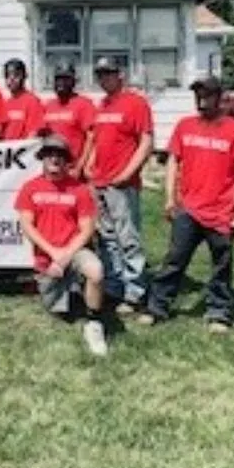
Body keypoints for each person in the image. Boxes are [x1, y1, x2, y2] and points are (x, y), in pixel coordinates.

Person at [139, 76, 234, 333]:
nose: (201, 101)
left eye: (207, 96)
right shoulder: (185, 126)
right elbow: (173, 161)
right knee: (174, 260)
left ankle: (219, 312)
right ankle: (157, 307)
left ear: (219, 97)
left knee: (221, 265)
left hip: (222, 212)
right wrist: (170, 198)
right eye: (198, 96)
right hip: (189, 209)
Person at [15, 134, 108, 356]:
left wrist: (65, 255)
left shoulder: (79, 189)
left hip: (74, 250)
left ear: (66, 160)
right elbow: (27, 225)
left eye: (60, 155)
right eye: (50, 154)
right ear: (43, 158)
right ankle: (68, 290)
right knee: (58, 310)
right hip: (47, 258)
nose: (54, 159)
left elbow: (87, 229)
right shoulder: (30, 188)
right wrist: (54, 253)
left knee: (96, 271)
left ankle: (94, 324)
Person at [88, 57, 153, 314]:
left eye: (108, 73)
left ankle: (135, 292)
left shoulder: (136, 103)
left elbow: (146, 142)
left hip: (122, 184)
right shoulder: (102, 105)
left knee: (128, 239)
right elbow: (98, 140)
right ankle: (114, 288)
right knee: (108, 239)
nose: (104, 78)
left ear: (120, 75)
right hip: (101, 182)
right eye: (100, 74)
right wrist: (91, 165)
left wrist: (128, 173)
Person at [40, 61, 96, 176]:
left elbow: (91, 138)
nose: (61, 83)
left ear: (74, 81)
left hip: (73, 169)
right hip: (52, 169)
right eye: (58, 79)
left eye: (66, 79)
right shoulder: (48, 106)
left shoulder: (84, 104)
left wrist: (80, 167)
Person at [1, 59, 45, 140]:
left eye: (16, 75)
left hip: (23, 147)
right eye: (7, 75)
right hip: (6, 146)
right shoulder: (5, 103)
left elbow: (34, 132)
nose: (11, 79)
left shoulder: (32, 101)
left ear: (24, 76)